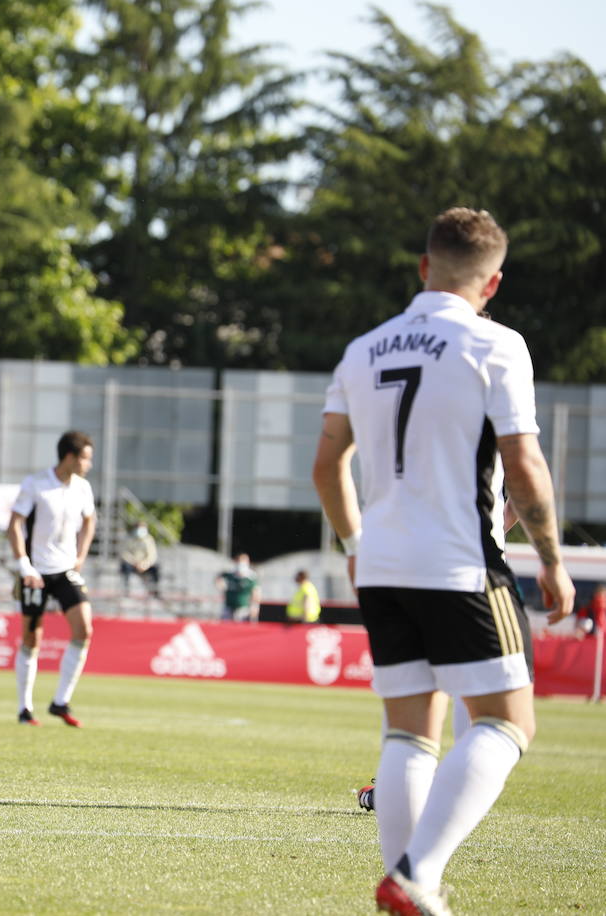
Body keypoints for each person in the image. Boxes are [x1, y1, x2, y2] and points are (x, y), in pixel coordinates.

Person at [312, 207, 575, 916]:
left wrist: (354, 547)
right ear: (492, 283)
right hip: (460, 562)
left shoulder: (363, 349)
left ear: (423, 267)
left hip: (384, 563)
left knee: (408, 729)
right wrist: (550, 558)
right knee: (508, 721)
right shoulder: (496, 345)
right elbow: (523, 463)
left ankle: (409, 888)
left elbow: (326, 464)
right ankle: (416, 876)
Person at [7, 430, 97, 728]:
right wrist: (24, 566)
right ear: (70, 457)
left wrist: (81, 556)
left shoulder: (83, 488)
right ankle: (24, 709)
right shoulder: (36, 484)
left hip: (65, 570)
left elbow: (89, 520)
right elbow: (15, 524)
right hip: (36, 573)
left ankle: (60, 702)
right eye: (86, 458)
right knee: (32, 638)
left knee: (84, 629)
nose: (89, 464)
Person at [216, 553, 260, 622]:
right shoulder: (230, 574)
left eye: (243, 561)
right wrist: (220, 584)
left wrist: (254, 606)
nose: (241, 564)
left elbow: (256, 593)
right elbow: (219, 579)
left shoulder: (251, 577)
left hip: (244, 609)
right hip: (229, 607)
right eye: (239, 561)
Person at [118, 523, 159, 596]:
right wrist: (135, 562)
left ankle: (154, 591)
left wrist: (146, 563)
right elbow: (124, 553)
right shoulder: (127, 538)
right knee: (125, 567)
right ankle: (126, 591)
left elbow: (152, 555)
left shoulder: (149, 539)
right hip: (131, 564)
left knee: (156, 568)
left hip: (144, 565)